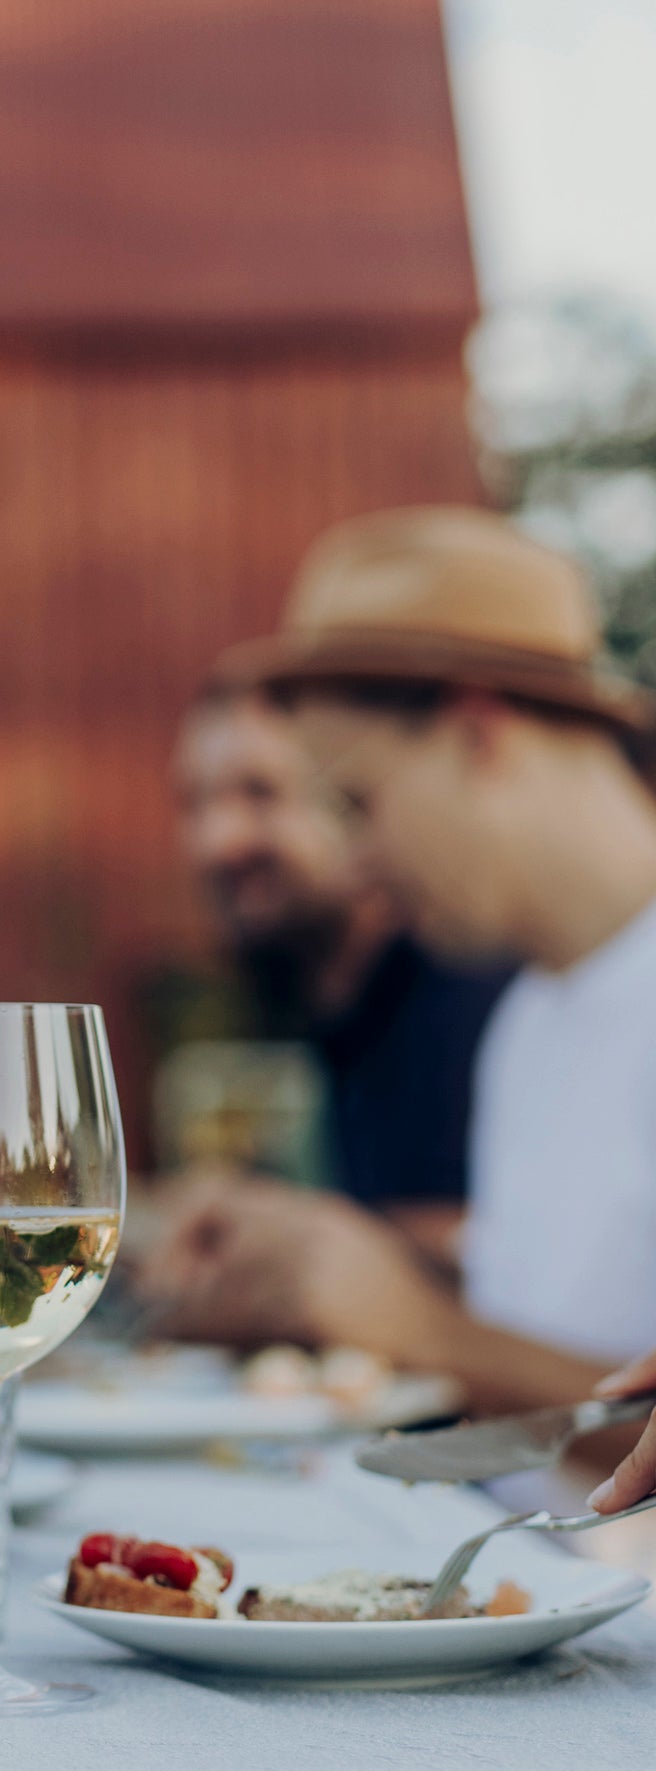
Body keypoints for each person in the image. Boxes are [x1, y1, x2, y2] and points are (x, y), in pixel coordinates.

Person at [144, 505, 656, 1415]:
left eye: (357, 801)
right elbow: (569, 1324)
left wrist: (421, 1329)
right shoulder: (535, 1013)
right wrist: (323, 1254)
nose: (358, 860)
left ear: (477, 732)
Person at [173, 684, 510, 1247]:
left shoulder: (470, 988)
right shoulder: (318, 995)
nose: (216, 841)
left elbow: (491, 1261)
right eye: (193, 802)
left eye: (261, 793)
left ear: (358, 805)